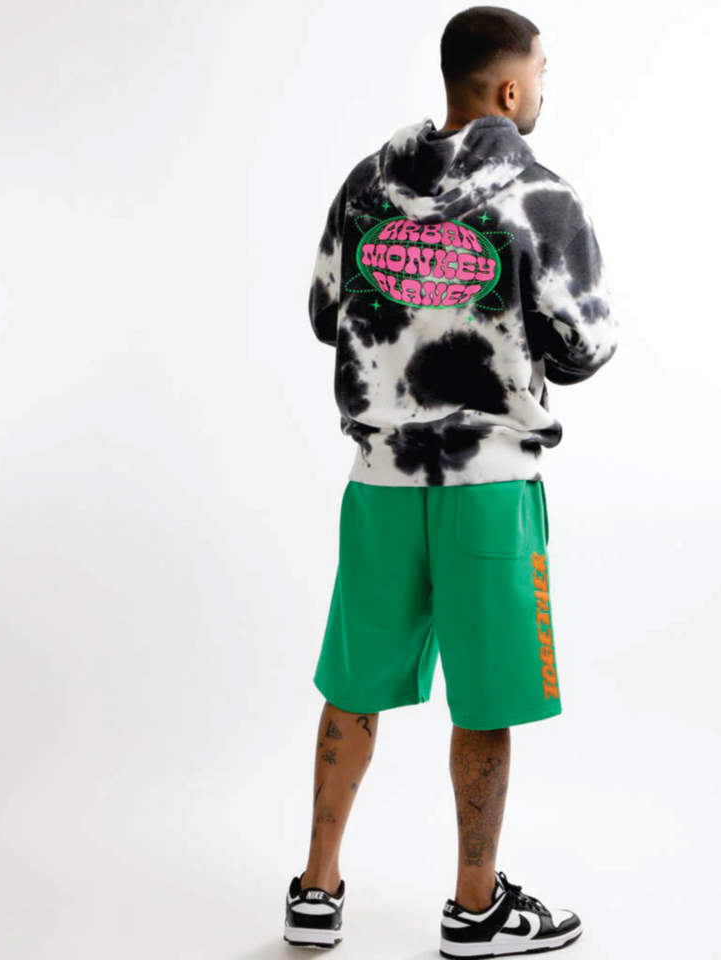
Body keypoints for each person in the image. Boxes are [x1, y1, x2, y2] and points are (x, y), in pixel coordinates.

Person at [284, 5, 618, 955]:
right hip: (488, 485)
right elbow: (587, 346)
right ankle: (476, 909)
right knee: (486, 698)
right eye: (541, 71)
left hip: (381, 481)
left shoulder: (366, 184)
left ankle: (316, 891)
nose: (543, 87)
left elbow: (325, 311)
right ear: (510, 87)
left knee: (353, 684)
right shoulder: (542, 198)